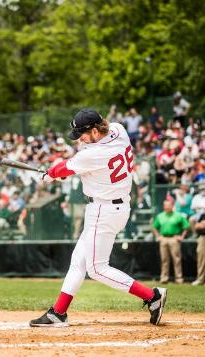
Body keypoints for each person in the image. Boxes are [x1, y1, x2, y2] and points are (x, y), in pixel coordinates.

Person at [30, 109, 167, 328]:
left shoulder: (92, 154)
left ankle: (152, 296)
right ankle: (58, 313)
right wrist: (60, 171)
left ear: (95, 130)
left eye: (83, 134)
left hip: (104, 211)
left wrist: (50, 175)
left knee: (96, 268)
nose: (80, 139)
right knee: (78, 262)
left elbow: (65, 167)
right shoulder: (118, 130)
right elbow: (78, 163)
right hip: (114, 206)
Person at [152, 200, 190, 284]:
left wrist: (182, 236)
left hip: (174, 239)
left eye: (168, 206)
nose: (166, 207)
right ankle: (164, 278)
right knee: (164, 260)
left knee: (177, 259)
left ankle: (179, 278)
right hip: (164, 239)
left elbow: (186, 226)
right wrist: (158, 236)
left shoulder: (178, 215)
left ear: (172, 206)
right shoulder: (160, 216)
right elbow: (154, 227)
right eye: (165, 206)